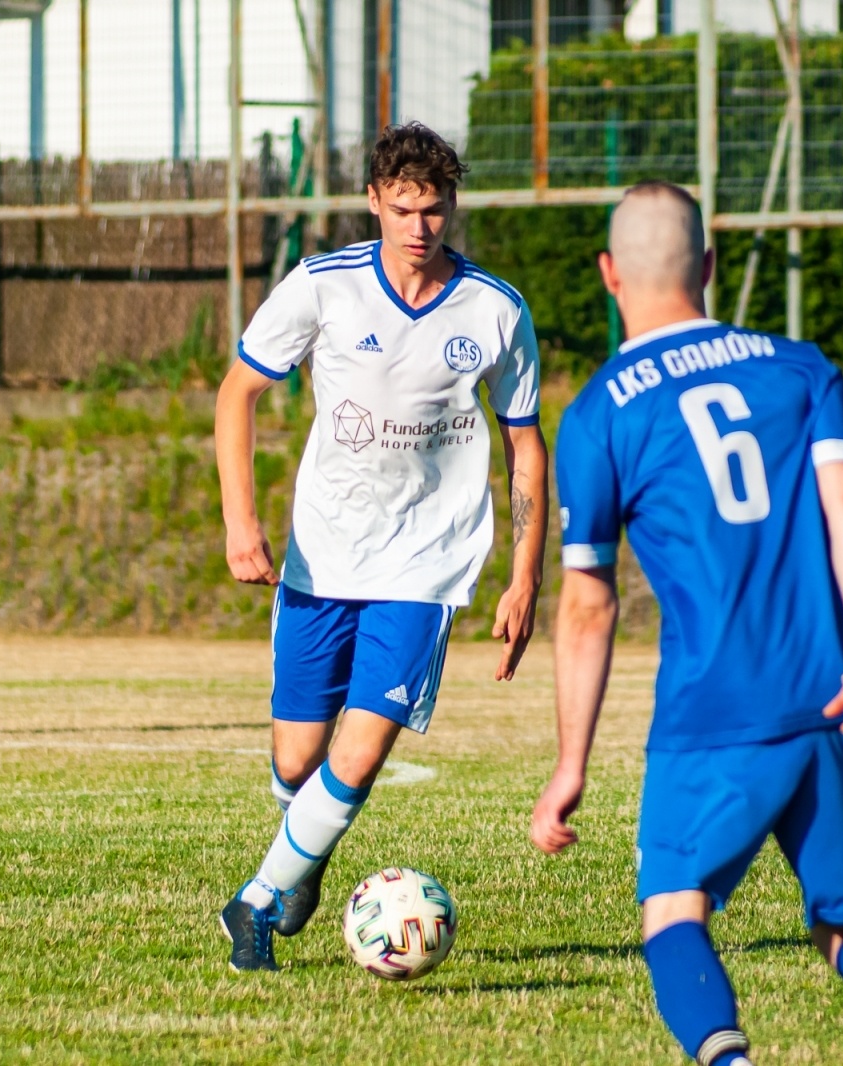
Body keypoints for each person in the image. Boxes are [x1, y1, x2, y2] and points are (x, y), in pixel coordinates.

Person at [531, 182, 843, 1066]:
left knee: (674, 911)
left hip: (715, 706)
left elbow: (588, 604)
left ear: (608, 274)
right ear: (707, 264)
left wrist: (569, 766)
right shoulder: (801, 368)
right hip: (835, 693)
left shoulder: (598, 413)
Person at [214, 123, 548, 972]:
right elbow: (237, 392)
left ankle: (255, 902)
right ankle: (302, 855)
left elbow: (525, 443)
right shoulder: (322, 286)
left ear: (452, 206)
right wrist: (240, 522)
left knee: (358, 756)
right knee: (298, 758)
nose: (419, 227)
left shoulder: (496, 310)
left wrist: (524, 578)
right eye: (403, 208)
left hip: (426, 565)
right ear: (373, 201)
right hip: (324, 553)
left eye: (434, 209)